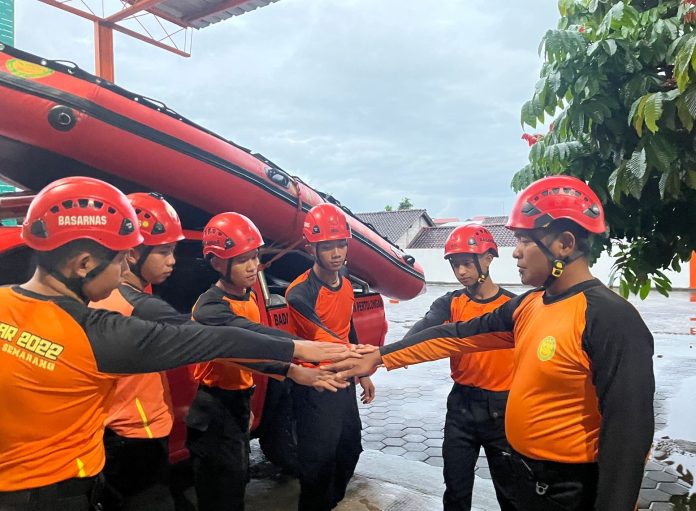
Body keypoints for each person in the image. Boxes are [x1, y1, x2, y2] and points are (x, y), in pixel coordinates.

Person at [0, 176, 359, 511]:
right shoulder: (98, 331)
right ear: (83, 264)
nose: (124, 268)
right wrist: (295, 351)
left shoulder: (5, 302)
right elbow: (208, 338)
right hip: (64, 489)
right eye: (120, 258)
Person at [330, 176, 655, 511]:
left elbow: (629, 434)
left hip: (572, 489)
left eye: (525, 241)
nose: (515, 252)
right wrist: (380, 356)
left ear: (565, 244)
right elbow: (457, 336)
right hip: (528, 477)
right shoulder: (529, 305)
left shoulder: (611, 319)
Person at [186, 212, 340, 511]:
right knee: (220, 495)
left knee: (235, 485)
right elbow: (247, 343)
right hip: (213, 410)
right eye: (242, 260)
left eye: (255, 256)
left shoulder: (249, 297)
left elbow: (255, 347)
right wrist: (294, 361)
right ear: (217, 263)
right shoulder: (209, 309)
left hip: (236, 403)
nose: (253, 266)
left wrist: (246, 406)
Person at [405, 224, 516, 511]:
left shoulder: (513, 307)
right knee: (455, 489)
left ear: (488, 259)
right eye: (455, 265)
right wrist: (390, 353)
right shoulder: (451, 302)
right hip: (461, 405)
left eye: (467, 263)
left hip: (503, 409)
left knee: (511, 492)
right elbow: (424, 328)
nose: (461, 271)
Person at [89, 192, 186, 511]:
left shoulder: (107, 295)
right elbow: (207, 339)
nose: (173, 260)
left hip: (125, 434)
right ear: (132, 253)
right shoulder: (133, 306)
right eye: (164, 251)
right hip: (133, 439)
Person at [286, 203, 375, 511]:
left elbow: (348, 329)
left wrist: (363, 373)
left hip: (344, 378)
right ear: (311, 248)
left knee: (350, 448)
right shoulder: (299, 293)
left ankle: (329, 502)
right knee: (317, 462)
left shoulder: (346, 282)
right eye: (327, 246)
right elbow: (327, 340)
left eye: (341, 244)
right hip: (316, 384)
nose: (336, 253)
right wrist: (370, 357)